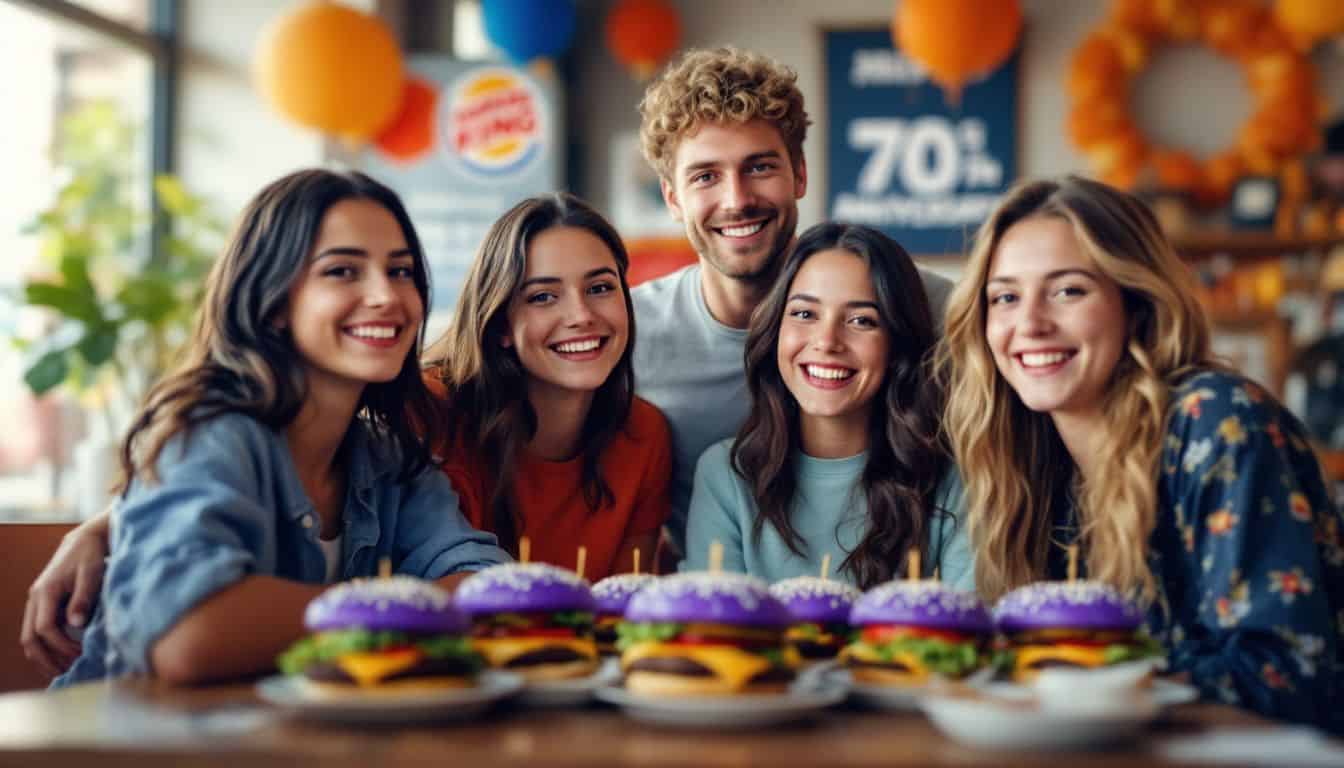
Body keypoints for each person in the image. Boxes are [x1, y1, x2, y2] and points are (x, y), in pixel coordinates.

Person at [47, 169, 508, 686]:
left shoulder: (390, 459)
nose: (386, 295)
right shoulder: (210, 432)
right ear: (272, 302)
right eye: (343, 271)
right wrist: (397, 609)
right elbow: (189, 634)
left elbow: (492, 590)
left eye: (400, 271)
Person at [938, 175, 1344, 730]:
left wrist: (1090, 678)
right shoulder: (1029, 456)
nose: (1029, 323)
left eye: (1068, 290)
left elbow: (1288, 672)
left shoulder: (1218, 421)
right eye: (1005, 297)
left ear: (1137, 305)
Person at [631, 47, 956, 562]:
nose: (736, 199)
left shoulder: (923, 305)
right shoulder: (629, 333)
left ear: (799, 175)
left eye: (759, 167)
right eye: (705, 176)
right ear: (673, 198)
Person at [684, 223, 971, 590]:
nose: (827, 341)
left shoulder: (955, 479)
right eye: (805, 314)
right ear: (775, 329)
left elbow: (972, 627)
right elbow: (711, 629)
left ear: (898, 343)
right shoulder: (726, 475)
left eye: (861, 320)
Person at [423, 193, 671, 578]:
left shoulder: (644, 434)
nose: (581, 316)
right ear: (501, 323)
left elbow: (624, 611)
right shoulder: (431, 412)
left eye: (600, 288)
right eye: (543, 297)